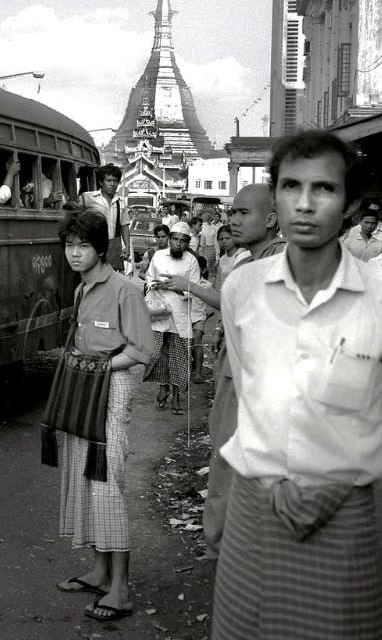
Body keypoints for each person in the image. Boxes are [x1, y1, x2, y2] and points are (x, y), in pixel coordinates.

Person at [212, 130, 382, 639]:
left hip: (341, 515)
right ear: (277, 197)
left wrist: (329, 485)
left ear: (351, 204)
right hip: (253, 505)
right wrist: (272, 477)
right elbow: (248, 395)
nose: (304, 205)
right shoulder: (242, 289)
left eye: (324, 190)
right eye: (290, 187)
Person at [165, 184, 284, 557]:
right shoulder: (252, 260)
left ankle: (227, 544)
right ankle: (231, 540)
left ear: (271, 219)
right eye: (231, 212)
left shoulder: (279, 260)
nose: (232, 220)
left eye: (242, 213)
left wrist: (190, 287)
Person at [51, 210, 154, 623]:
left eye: (83, 246)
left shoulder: (125, 291)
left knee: (107, 485)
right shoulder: (81, 291)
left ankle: (121, 589)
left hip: (112, 388)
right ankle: (98, 571)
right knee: (84, 478)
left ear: (100, 249)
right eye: (69, 245)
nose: (74, 254)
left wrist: (99, 368)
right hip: (84, 388)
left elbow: (143, 352)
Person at [142, 221, 199, 414]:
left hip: (180, 316)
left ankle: (176, 396)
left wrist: (175, 286)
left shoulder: (191, 261)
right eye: (175, 239)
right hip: (159, 314)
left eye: (183, 241)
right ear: (170, 239)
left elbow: (195, 288)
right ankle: (162, 388)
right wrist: (154, 284)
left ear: (187, 243)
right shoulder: (158, 256)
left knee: (179, 357)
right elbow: (149, 277)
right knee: (158, 355)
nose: (178, 244)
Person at [80, 164, 131, 272]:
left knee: (111, 278)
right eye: (109, 180)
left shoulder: (120, 202)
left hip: (113, 246)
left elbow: (124, 225)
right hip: (93, 245)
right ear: (101, 182)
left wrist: (127, 246)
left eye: (115, 181)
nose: (113, 184)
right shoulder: (88, 198)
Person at [190, 256, 214, 383]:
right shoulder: (186, 282)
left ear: (203, 269)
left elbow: (212, 305)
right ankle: (190, 369)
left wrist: (204, 317)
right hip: (185, 318)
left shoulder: (207, 285)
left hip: (199, 318)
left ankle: (198, 373)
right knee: (188, 346)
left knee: (197, 344)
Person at [212, 224, 249, 291]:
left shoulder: (242, 255)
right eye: (221, 239)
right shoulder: (222, 259)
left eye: (227, 238)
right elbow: (218, 283)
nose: (224, 241)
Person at [198, 212, 218, 279]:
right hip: (211, 250)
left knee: (201, 268)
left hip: (199, 250)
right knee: (211, 270)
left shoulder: (198, 228)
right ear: (210, 220)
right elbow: (216, 243)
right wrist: (217, 255)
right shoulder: (213, 229)